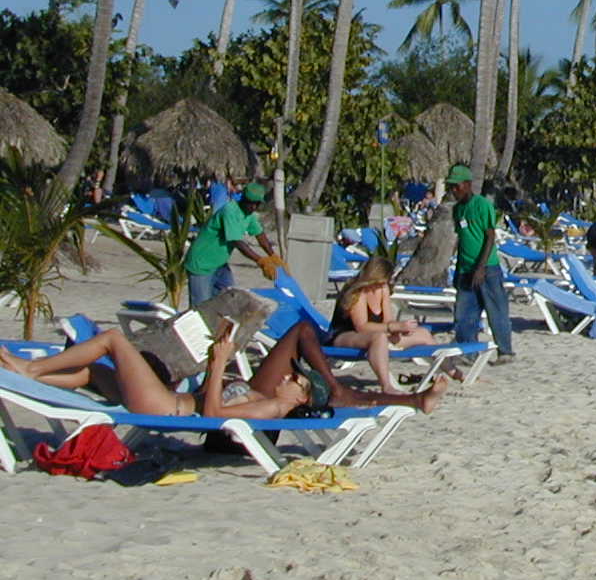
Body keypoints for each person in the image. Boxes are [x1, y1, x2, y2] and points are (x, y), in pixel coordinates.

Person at [0, 318, 449, 418]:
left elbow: (212, 415)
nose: (290, 376)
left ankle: (31, 371)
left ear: (297, 400)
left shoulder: (271, 408)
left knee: (111, 340)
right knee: (90, 372)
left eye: (296, 382)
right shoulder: (272, 395)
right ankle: (40, 374)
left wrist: (218, 367)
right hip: (169, 395)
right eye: (295, 374)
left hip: (163, 406)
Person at [331, 255, 446, 394]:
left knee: (423, 333)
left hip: (376, 335)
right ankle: (386, 385)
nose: (384, 284)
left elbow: (388, 321)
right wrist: (392, 327)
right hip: (344, 336)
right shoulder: (358, 292)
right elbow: (361, 326)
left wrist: (399, 329)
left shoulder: (383, 288)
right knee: (378, 338)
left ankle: (455, 373)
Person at [446, 164, 515, 365]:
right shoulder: (457, 210)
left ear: (467, 185)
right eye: (451, 187)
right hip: (465, 269)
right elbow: (462, 239)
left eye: (456, 186)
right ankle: (468, 352)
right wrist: (457, 269)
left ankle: (505, 351)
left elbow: (489, 237)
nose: (454, 190)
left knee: (497, 311)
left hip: (487, 268)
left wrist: (481, 267)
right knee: (464, 314)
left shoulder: (482, 205)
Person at [183, 182, 281, 308]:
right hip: (202, 264)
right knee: (201, 308)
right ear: (244, 199)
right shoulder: (230, 211)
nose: (253, 207)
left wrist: (273, 256)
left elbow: (260, 235)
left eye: (257, 204)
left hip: (219, 264)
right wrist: (261, 261)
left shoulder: (248, 215)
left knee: (229, 300)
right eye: (251, 203)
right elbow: (237, 242)